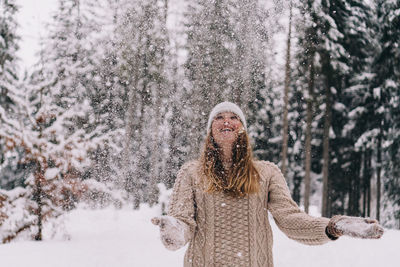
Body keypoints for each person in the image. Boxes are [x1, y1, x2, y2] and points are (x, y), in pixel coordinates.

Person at [151, 102, 384, 267]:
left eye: (234, 117)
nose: (227, 121)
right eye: (219, 117)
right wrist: (172, 229)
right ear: (210, 130)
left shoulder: (266, 172)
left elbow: (290, 219)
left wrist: (333, 226)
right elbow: (182, 225)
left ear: (242, 128)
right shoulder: (191, 172)